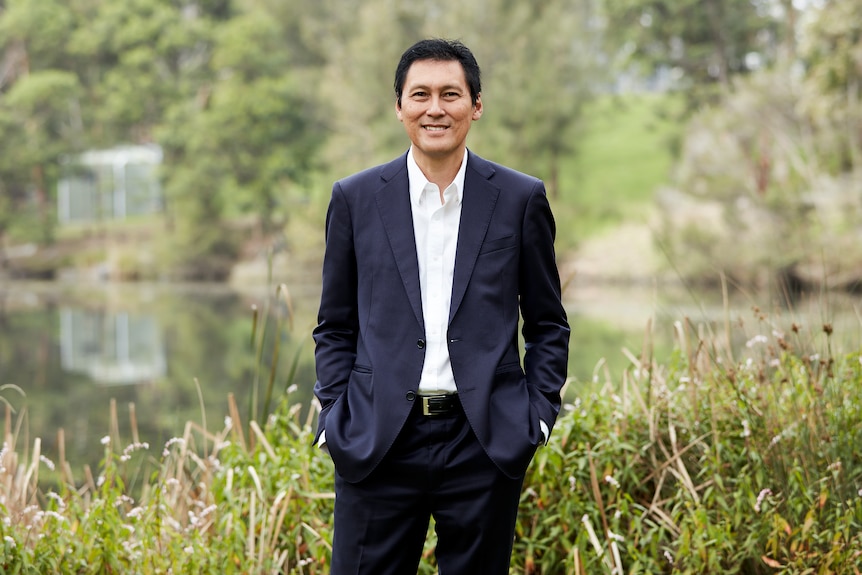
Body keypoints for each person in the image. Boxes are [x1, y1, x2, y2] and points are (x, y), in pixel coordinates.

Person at [312, 38, 570, 574]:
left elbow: (547, 322)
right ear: (399, 106)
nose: (436, 108)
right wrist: (334, 416)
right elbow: (335, 325)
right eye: (421, 94)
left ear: (476, 105)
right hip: (377, 439)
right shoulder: (355, 199)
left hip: (484, 441)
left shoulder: (520, 199)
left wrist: (536, 417)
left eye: (451, 94)